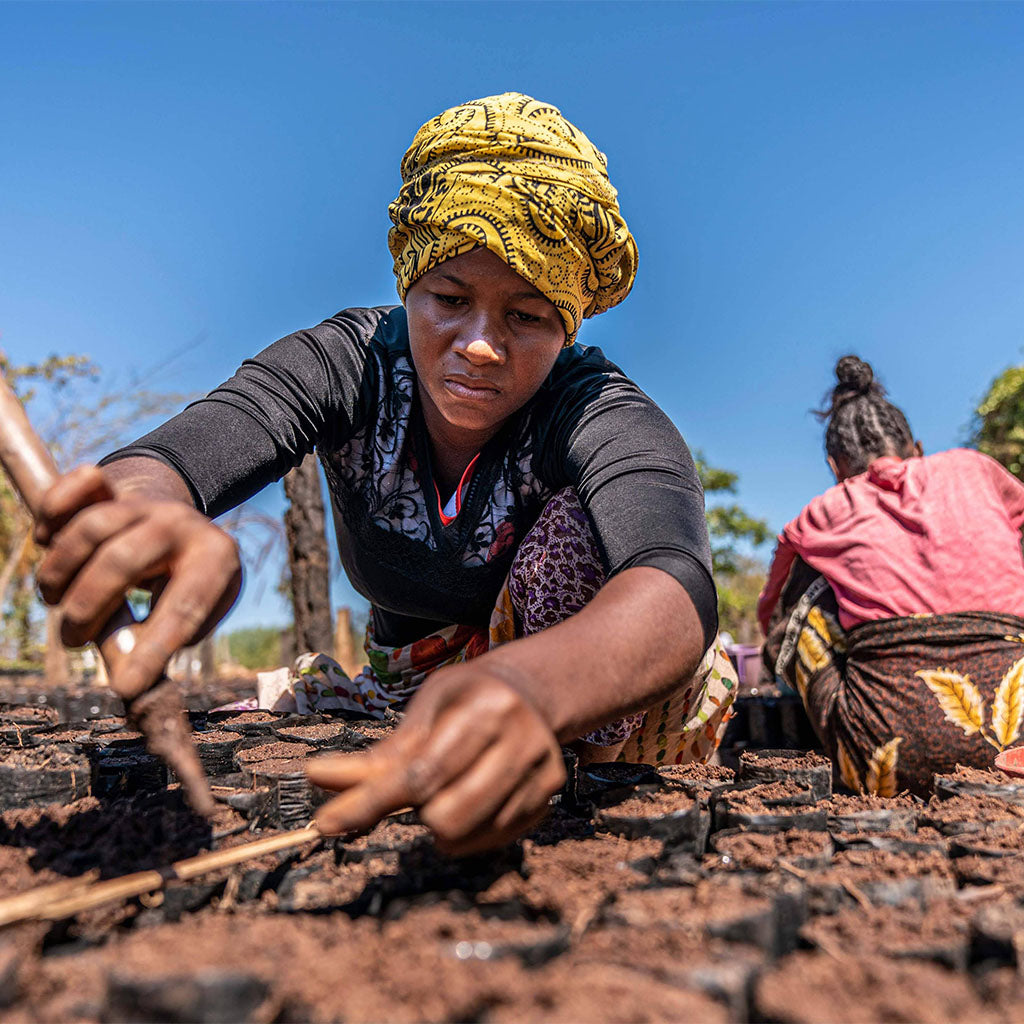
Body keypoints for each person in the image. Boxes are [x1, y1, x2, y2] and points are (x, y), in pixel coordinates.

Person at [35, 93, 736, 853]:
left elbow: (671, 581)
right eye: (450, 298)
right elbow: (184, 453)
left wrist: (531, 688)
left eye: (527, 316)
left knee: (574, 533)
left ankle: (585, 783)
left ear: (568, 326)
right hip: (410, 692)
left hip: (582, 703)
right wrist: (148, 509)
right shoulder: (352, 365)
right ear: (408, 284)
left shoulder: (594, 407)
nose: (480, 345)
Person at [759, 355, 1024, 795]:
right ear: (917, 450)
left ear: (835, 467)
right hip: (1017, 734)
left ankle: (851, 756)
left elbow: (773, 615)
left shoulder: (825, 510)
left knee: (807, 596)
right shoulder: (974, 469)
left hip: (884, 756)